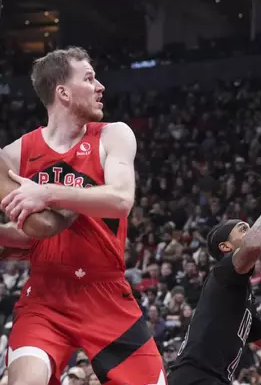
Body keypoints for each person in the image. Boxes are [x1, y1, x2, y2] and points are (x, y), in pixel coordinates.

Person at [0, 47, 165, 385]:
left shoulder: (113, 134)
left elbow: (121, 200)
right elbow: (33, 234)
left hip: (105, 293)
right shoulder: (14, 155)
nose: (100, 86)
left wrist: (46, 193)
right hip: (46, 296)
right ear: (62, 92)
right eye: (89, 79)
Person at [168, 173, 261, 385]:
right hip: (195, 376)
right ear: (225, 247)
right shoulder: (222, 273)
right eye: (243, 229)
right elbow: (254, 246)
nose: (252, 231)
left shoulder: (239, 299)